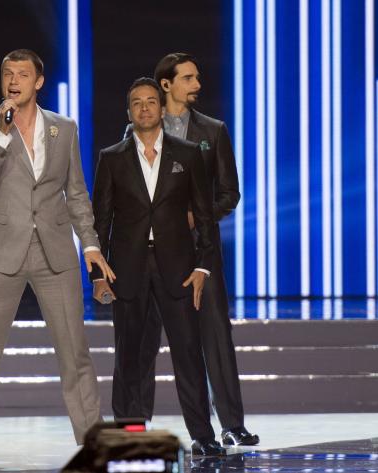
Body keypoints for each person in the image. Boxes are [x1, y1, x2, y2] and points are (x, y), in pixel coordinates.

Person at [0, 49, 115, 467]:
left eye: (22, 74)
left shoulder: (63, 128)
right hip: (0, 251)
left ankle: (93, 438)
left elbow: (76, 192)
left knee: (75, 351)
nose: (13, 81)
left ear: (38, 82)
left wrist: (90, 244)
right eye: (7, 73)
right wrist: (2, 135)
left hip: (54, 250)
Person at [124, 53, 258, 447]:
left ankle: (231, 424)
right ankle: (135, 426)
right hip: (151, 253)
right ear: (166, 84)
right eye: (188, 78)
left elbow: (229, 192)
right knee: (144, 340)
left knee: (215, 335)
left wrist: (196, 216)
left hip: (200, 251)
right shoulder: (138, 126)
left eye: (197, 77)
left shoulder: (212, 131)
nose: (197, 84)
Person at [93, 77, 225, 456]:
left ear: (162, 109)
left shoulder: (188, 154)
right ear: (128, 111)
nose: (145, 108)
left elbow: (204, 216)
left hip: (179, 268)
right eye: (137, 103)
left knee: (188, 353)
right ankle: (130, 432)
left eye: (151, 101)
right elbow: (101, 221)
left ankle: (202, 434)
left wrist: (203, 267)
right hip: (126, 268)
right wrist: (98, 275)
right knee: (129, 355)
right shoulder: (111, 157)